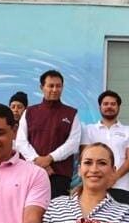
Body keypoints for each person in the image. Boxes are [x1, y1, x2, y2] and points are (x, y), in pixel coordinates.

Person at [15, 70, 83, 198]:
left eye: (58, 86)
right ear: (42, 87)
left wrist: (49, 158)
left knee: (57, 214)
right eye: (50, 86)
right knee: (29, 212)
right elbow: (21, 142)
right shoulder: (30, 112)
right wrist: (38, 161)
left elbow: (73, 143)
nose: (55, 89)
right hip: (31, 172)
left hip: (59, 174)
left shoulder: (71, 113)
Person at [82, 90, 129, 204]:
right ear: (100, 107)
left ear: (118, 107)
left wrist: (114, 177)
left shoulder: (128, 131)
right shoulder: (89, 130)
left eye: (113, 104)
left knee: (119, 221)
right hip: (94, 186)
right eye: (106, 104)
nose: (109, 106)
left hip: (121, 187)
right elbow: (85, 157)